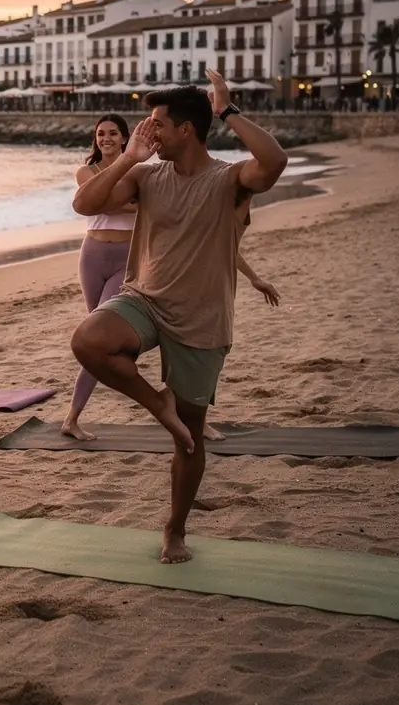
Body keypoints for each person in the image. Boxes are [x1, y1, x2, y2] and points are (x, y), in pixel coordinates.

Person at [69, 72, 287, 564]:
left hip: (202, 319)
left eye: (156, 125)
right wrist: (128, 156)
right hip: (144, 300)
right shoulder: (146, 174)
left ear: (186, 129)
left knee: (189, 439)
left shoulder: (231, 180)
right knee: (88, 340)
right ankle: (157, 404)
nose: (149, 132)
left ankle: (175, 528)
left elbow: (274, 161)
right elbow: (84, 203)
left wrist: (227, 111)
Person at [63, 113, 282, 442]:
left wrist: (253, 277)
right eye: (100, 134)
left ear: (125, 137)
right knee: (94, 337)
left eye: (111, 133)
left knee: (106, 336)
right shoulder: (112, 173)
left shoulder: (155, 179)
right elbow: (89, 203)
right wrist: (136, 185)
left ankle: (191, 414)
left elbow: (217, 242)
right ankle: (75, 417)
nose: (104, 139)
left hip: (130, 258)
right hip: (93, 257)